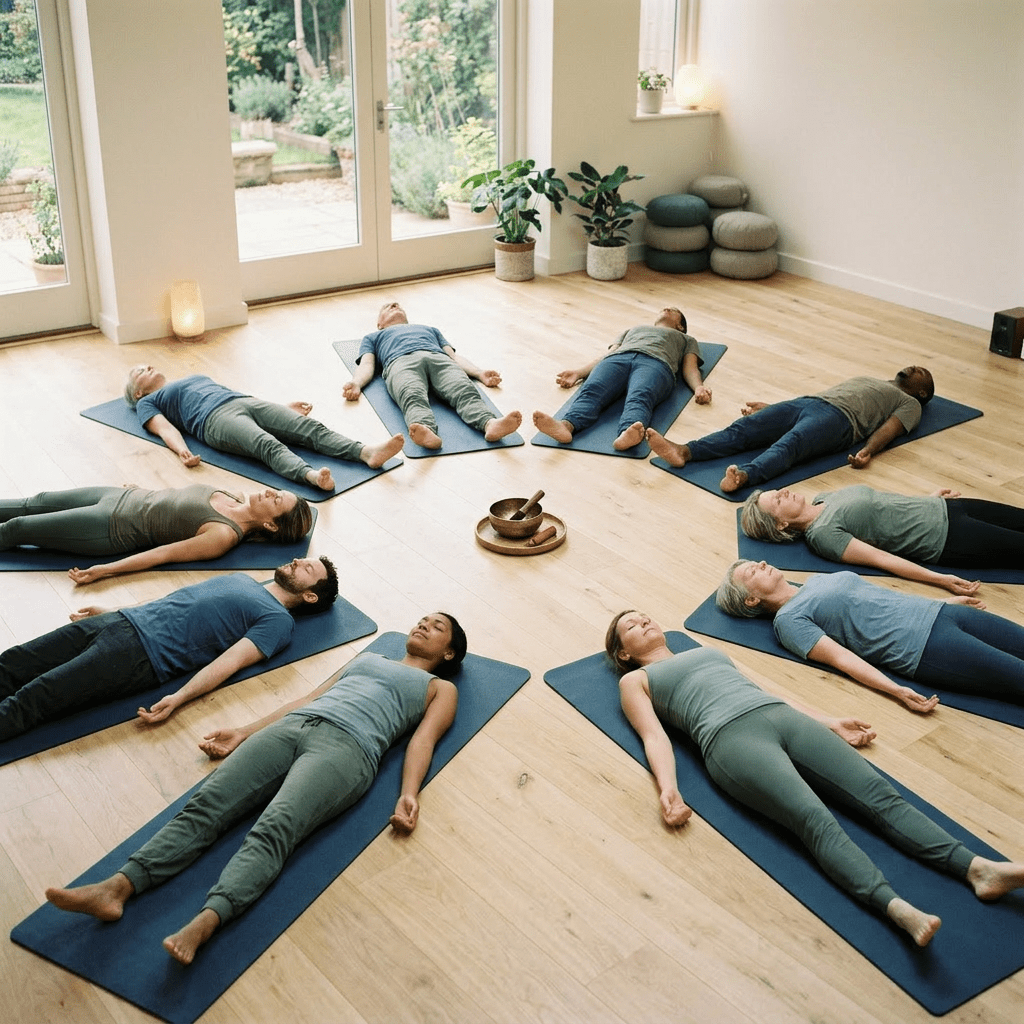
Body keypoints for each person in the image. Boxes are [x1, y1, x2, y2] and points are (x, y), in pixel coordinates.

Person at [45, 611, 467, 965]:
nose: (423, 625)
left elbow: (422, 741)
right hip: (293, 728)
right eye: (422, 620)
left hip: (349, 750)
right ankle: (115, 888)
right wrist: (244, 732)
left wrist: (409, 793)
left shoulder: (439, 688)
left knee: (274, 829)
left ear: (448, 652)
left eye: (436, 627)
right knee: (205, 806)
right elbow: (308, 698)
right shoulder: (369, 656)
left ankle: (207, 921)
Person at [606, 610, 1024, 947]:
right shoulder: (636, 679)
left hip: (780, 716)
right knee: (814, 819)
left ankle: (978, 869)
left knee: (881, 795)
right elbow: (655, 735)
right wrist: (668, 789)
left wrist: (829, 723)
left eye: (644, 616)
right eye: (631, 625)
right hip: (730, 740)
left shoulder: (706, 650)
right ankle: (895, 907)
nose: (643, 621)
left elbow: (768, 692)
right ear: (624, 653)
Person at [0, 557, 338, 739]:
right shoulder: (243, 579)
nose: (296, 560)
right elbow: (175, 600)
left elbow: (229, 662)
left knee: (34, 697)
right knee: (14, 661)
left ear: (309, 595)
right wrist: (116, 609)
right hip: (121, 621)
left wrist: (179, 698)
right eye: (302, 559)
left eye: (307, 568)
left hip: (141, 655)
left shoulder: (279, 622)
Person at [716, 559, 1024, 713]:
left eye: (755, 563)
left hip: (943, 614)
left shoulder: (813, 582)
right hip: (924, 648)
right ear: (751, 600)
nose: (761, 564)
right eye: (751, 573)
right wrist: (896, 691)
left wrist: (943, 602)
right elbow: (842, 659)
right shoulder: (788, 621)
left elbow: (880, 597)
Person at [646, 366, 934, 493]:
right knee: (745, 428)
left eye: (921, 371)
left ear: (922, 392)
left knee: (791, 444)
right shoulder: (877, 381)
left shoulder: (910, 403)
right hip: (808, 403)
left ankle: (745, 476)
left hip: (841, 422)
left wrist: (868, 451)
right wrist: (773, 408)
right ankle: (684, 451)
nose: (913, 367)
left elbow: (890, 428)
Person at [125, 366, 404, 491]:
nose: (147, 367)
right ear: (137, 393)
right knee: (267, 445)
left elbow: (234, 392)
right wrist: (182, 451)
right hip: (214, 420)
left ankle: (367, 452)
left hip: (243, 402)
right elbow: (165, 429)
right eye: (140, 372)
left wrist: (281, 407)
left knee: (308, 428)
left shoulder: (191, 377)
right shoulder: (147, 403)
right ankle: (311, 476)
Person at [0, 483, 313, 584]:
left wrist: (105, 571)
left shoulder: (222, 535)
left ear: (271, 524)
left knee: (18, 529)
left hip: (109, 526)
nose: (270, 492)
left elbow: (162, 554)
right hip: (118, 495)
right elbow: (171, 497)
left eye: (276, 500)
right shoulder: (230, 495)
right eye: (277, 491)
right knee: (33, 502)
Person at [741, 483, 1024, 594]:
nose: (784, 493)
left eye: (777, 491)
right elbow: (884, 560)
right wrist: (941, 579)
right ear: (781, 525)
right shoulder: (823, 535)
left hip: (945, 509)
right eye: (777, 500)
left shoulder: (823, 497)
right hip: (948, 538)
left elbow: (883, 506)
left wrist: (925, 499)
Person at [343, 300, 522, 450]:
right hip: (400, 362)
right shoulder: (373, 337)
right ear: (379, 324)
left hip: (439, 359)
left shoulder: (429, 329)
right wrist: (356, 383)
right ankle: (426, 430)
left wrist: (480, 373)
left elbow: (454, 357)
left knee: (463, 389)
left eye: (398, 306)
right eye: (388, 307)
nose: (395, 305)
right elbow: (367, 364)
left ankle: (490, 424)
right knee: (411, 394)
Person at [532, 307, 710, 451]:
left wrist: (699, 387)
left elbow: (690, 367)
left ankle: (628, 433)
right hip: (617, 359)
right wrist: (579, 373)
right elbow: (608, 353)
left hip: (657, 363)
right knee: (592, 390)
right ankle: (565, 426)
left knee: (640, 396)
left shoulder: (686, 338)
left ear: (680, 326)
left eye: (673, 310)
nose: (666, 309)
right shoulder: (634, 329)